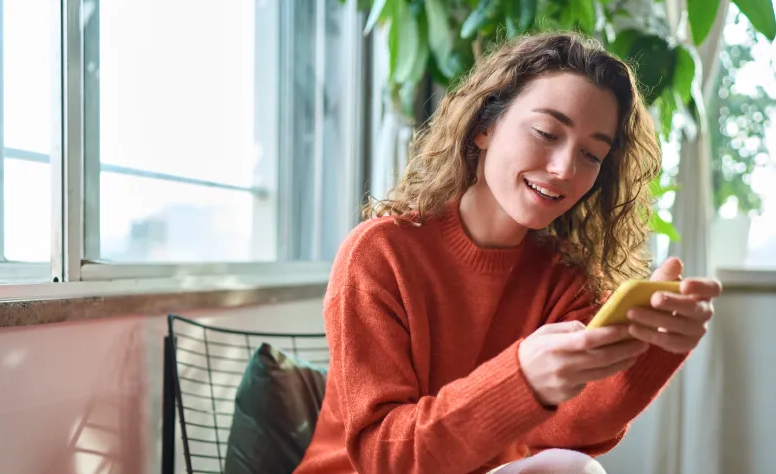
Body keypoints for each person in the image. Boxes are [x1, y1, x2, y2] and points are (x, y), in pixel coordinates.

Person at [293, 31, 722, 474]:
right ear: (484, 127)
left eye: (592, 155)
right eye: (546, 132)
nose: (564, 169)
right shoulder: (380, 253)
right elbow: (383, 457)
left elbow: (568, 435)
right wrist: (520, 378)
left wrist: (652, 350)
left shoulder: (564, 278)